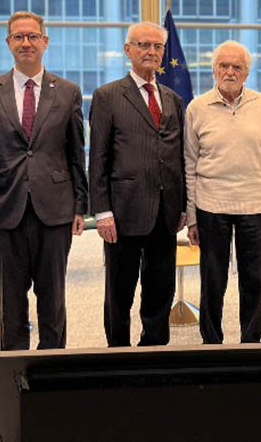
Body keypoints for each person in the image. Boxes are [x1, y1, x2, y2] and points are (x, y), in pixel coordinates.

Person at [0, 11, 88, 351]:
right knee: (10, 301)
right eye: (18, 37)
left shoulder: (68, 92)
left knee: (52, 299)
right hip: (3, 209)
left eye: (32, 36)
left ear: (45, 41)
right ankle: (14, 371)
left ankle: (52, 369)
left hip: (54, 209)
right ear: (9, 42)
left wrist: (80, 205)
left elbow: (75, 152)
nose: (26, 43)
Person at [89, 21, 186, 347]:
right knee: (120, 289)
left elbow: (178, 155)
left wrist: (183, 205)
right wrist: (102, 211)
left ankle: (154, 348)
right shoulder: (107, 96)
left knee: (161, 288)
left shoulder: (173, 99)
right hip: (123, 211)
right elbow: (98, 158)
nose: (151, 52)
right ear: (128, 50)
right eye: (144, 45)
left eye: (157, 46)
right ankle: (117, 351)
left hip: (165, 211)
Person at [185, 40, 261, 344]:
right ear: (214, 70)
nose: (229, 72)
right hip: (210, 206)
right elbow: (189, 165)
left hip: (255, 205)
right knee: (212, 282)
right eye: (223, 66)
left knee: (254, 282)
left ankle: (250, 342)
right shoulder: (197, 108)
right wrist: (192, 217)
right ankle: (211, 343)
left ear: (247, 72)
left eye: (237, 67)